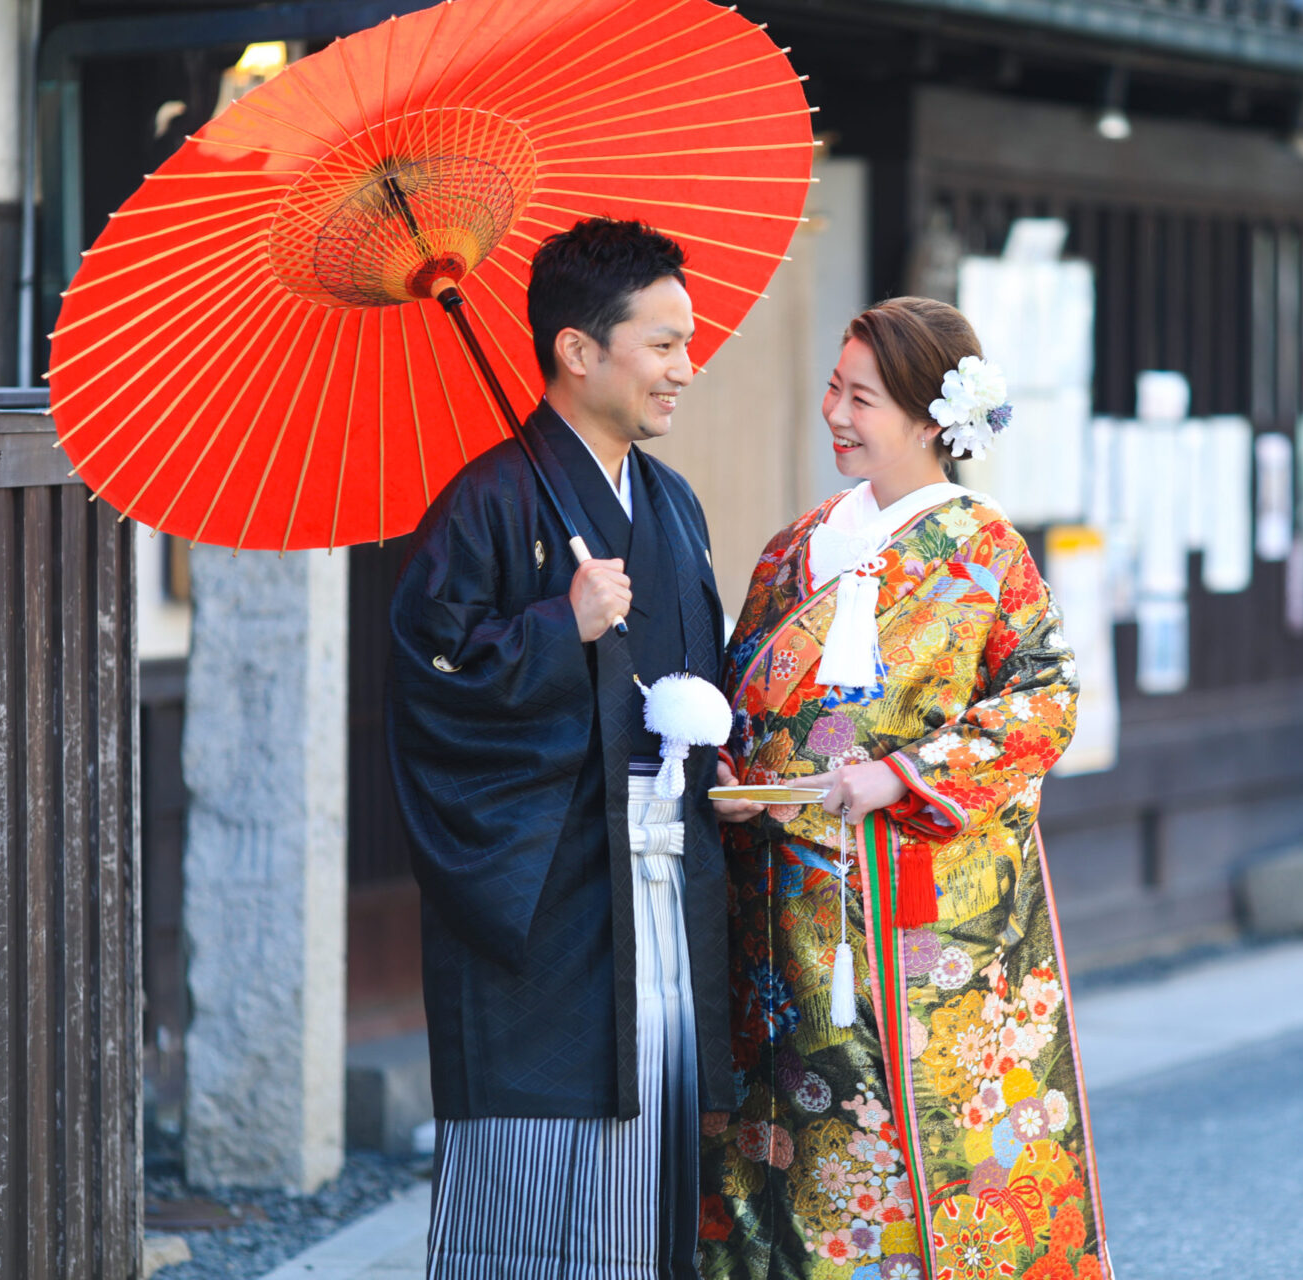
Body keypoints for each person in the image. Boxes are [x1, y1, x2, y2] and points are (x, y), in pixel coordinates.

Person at [698, 298, 1112, 1280]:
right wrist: (732, 763)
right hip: (780, 901)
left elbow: (1043, 701)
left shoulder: (983, 549)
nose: (837, 413)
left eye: (863, 397)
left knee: (914, 1125)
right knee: (782, 1129)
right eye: (834, 389)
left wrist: (901, 773)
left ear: (932, 416)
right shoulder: (793, 547)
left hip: (915, 909)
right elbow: (747, 691)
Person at [387, 217, 760, 1280]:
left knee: (661, 1151)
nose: (685, 368)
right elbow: (429, 682)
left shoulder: (673, 505)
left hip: (663, 875)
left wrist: (721, 761)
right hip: (551, 899)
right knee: (545, 1171)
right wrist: (561, 626)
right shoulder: (488, 502)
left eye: (688, 342)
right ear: (578, 350)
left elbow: (693, 675)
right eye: (664, 343)